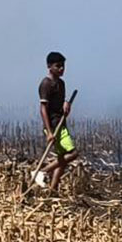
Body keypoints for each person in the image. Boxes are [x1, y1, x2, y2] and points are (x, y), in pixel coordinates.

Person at [37, 51, 78, 189]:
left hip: (61, 123)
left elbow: (60, 104)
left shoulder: (61, 83)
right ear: (49, 66)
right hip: (53, 125)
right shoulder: (45, 84)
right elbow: (43, 109)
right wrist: (49, 132)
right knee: (72, 154)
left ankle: (53, 188)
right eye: (58, 66)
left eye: (63, 66)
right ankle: (41, 172)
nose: (61, 69)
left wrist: (66, 104)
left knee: (63, 158)